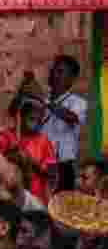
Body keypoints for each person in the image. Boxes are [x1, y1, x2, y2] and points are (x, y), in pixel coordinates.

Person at [44, 55, 88, 190]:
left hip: (63, 166)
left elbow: (71, 117)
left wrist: (45, 102)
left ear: (72, 79)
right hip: (39, 163)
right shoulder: (42, 100)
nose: (55, 75)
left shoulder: (78, 102)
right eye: (54, 71)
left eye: (60, 72)